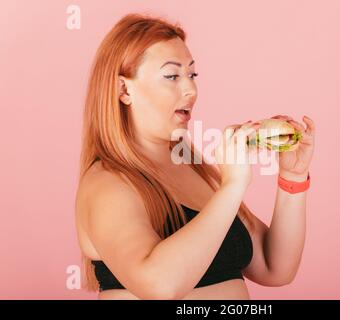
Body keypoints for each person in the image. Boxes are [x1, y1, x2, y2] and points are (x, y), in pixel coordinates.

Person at [75, 13, 315, 300]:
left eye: (192, 75)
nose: (191, 89)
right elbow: (159, 285)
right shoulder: (107, 183)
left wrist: (293, 178)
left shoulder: (194, 167)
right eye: (172, 76)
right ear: (124, 90)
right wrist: (233, 185)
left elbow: (274, 267)